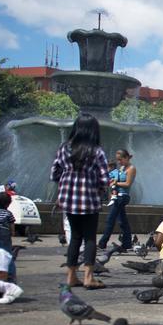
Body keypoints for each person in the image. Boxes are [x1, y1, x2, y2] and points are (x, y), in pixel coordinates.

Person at [50, 112, 110, 289]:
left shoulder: (64, 148)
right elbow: (105, 178)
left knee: (75, 237)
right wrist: (97, 186)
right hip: (89, 198)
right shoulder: (97, 151)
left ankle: (71, 277)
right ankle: (88, 278)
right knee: (90, 237)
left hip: (68, 198)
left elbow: (54, 173)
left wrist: (67, 177)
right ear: (93, 131)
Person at [98, 149, 136, 250]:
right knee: (122, 221)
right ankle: (127, 244)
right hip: (117, 196)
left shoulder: (131, 168)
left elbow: (128, 184)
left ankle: (102, 243)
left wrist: (115, 183)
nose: (119, 162)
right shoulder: (122, 168)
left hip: (122, 197)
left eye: (121, 159)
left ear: (127, 157)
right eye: (118, 160)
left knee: (110, 219)